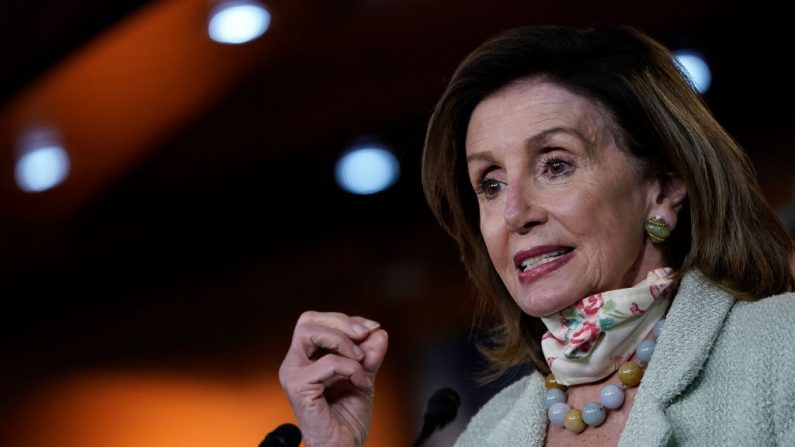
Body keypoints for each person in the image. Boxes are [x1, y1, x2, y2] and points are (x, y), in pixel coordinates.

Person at [278, 25, 795, 446]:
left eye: (555, 165)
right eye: (491, 184)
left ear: (662, 187)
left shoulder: (780, 346)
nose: (515, 213)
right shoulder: (486, 435)